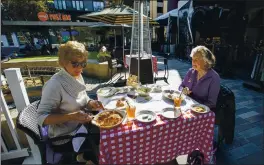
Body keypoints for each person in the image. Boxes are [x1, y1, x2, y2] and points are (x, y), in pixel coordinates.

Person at [37, 41, 103, 165]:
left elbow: (83, 98)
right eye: (75, 63)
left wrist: (91, 103)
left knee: (106, 131)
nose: (80, 68)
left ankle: (86, 157)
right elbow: (41, 118)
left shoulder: (76, 75)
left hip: (80, 126)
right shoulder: (54, 85)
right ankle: (91, 158)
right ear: (63, 62)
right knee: (104, 138)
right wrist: (71, 116)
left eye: (83, 63)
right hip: (65, 136)